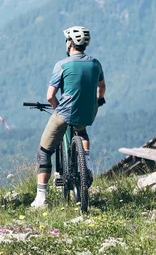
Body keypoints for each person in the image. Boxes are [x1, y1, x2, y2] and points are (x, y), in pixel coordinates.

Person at [31, 26, 106, 208]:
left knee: (44, 152)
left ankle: (41, 198)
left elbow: (50, 96)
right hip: (88, 111)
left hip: (65, 112)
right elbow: (101, 87)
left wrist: (58, 109)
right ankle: (85, 167)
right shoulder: (95, 63)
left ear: (70, 43)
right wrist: (99, 100)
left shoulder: (62, 65)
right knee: (82, 131)